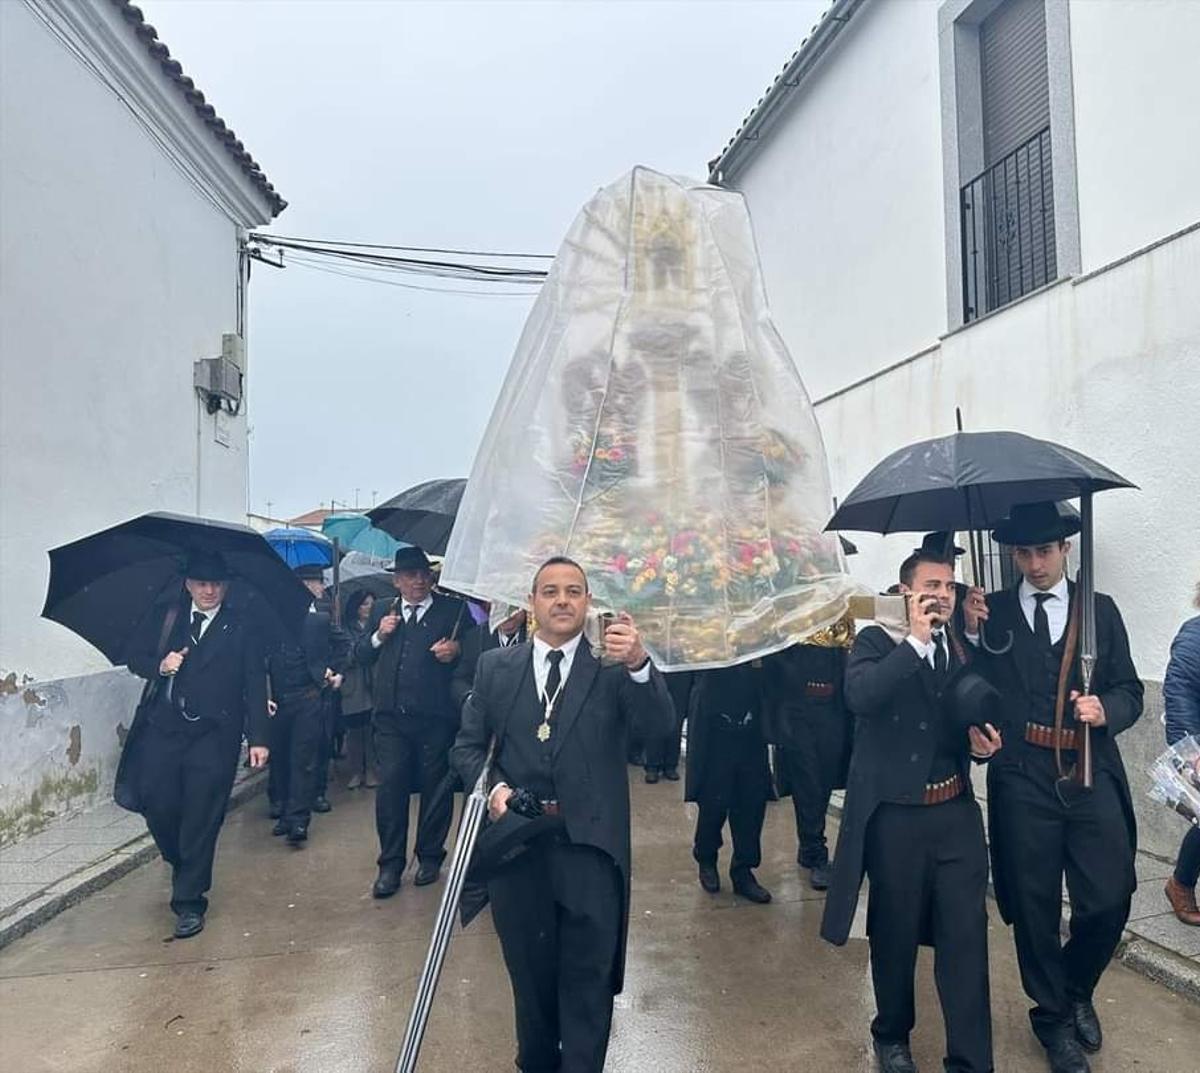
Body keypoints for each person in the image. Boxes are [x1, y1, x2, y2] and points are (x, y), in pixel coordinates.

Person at [451, 556, 673, 1073]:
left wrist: (641, 664)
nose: (562, 601)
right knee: (530, 982)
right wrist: (496, 790)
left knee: (588, 982)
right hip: (518, 850)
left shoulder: (614, 670)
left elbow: (660, 732)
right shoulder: (495, 668)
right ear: (531, 602)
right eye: (550, 591)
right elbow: (465, 750)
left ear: (588, 601)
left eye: (574, 591)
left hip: (590, 852)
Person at [970, 501, 1143, 1073]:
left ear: (1066, 549)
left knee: (1110, 894)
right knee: (1033, 901)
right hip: (1022, 774)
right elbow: (968, 684)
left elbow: (1131, 691)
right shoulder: (989, 612)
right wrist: (967, 636)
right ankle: (1051, 1017)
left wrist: (1106, 709)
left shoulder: (1100, 611)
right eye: (1023, 553)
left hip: (1089, 768)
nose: (1035, 563)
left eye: (1045, 551)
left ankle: (1074, 988)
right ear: (1012, 554)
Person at [821, 546, 1002, 1073]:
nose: (941, 595)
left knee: (966, 936)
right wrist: (916, 643)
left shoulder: (962, 646)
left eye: (948, 586)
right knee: (895, 932)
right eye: (930, 586)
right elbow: (861, 697)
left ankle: (970, 1060)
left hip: (955, 813)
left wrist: (979, 744)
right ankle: (892, 1033)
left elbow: (960, 716)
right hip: (896, 818)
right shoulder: (876, 640)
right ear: (905, 591)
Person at [118, 552, 269, 939]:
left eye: (216, 584)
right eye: (202, 583)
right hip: (163, 732)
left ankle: (189, 902)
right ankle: (179, 859)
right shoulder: (166, 617)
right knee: (158, 806)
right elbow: (135, 657)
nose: (209, 590)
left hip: (214, 737)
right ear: (188, 585)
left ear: (226, 586)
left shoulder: (243, 625)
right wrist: (160, 664)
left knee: (202, 817)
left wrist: (259, 738)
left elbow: (254, 681)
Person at [357, 546, 469, 896]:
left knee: (437, 789)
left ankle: (430, 856)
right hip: (391, 719)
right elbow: (359, 654)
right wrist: (379, 635)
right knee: (391, 789)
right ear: (397, 580)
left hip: (435, 718)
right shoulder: (382, 610)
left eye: (423, 574)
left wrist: (457, 651)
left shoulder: (454, 610)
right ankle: (390, 864)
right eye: (409, 575)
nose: (418, 580)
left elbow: (476, 650)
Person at [762, 620, 853, 891]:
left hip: (832, 710)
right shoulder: (790, 612)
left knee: (825, 779)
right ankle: (815, 851)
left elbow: (846, 656)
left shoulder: (838, 611)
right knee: (808, 782)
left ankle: (809, 845)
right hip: (798, 711)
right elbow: (775, 664)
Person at [265, 563, 347, 846]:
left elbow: (345, 645)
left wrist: (332, 670)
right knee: (281, 760)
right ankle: (286, 814)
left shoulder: (319, 621)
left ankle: (299, 821)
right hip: (277, 702)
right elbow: (259, 661)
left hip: (309, 699)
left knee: (303, 761)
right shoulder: (269, 625)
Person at [685, 663, 774, 902]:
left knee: (751, 803)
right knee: (714, 801)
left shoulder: (757, 636)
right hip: (715, 727)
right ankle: (706, 856)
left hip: (752, 726)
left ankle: (743, 870)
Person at [1162, 582, 1200, 925]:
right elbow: (1179, 696)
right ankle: (1181, 883)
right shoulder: (1194, 637)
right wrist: (1190, 751)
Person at [450, 605, 528, 713]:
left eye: (514, 608)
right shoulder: (476, 636)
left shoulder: (536, 635)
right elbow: (460, 680)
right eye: (499, 609)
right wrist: (471, 699)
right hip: (487, 717)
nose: (508, 616)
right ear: (488, 608)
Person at [339, 590, 379, 790]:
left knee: (371, 729)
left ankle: (371, 770)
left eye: (371, 603)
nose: (368, 608)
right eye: (364, 604)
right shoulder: (345, 630)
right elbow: (344, 656)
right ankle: (356, 771)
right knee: (354, 731)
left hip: (372, 683)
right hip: (353, 685)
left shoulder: (378, 627)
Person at [644, 670, 690, 783]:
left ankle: (670, 765)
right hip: (657, 671)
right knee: (654, 720)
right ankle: (652, 766)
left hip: (682, 672)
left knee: (676, 721)